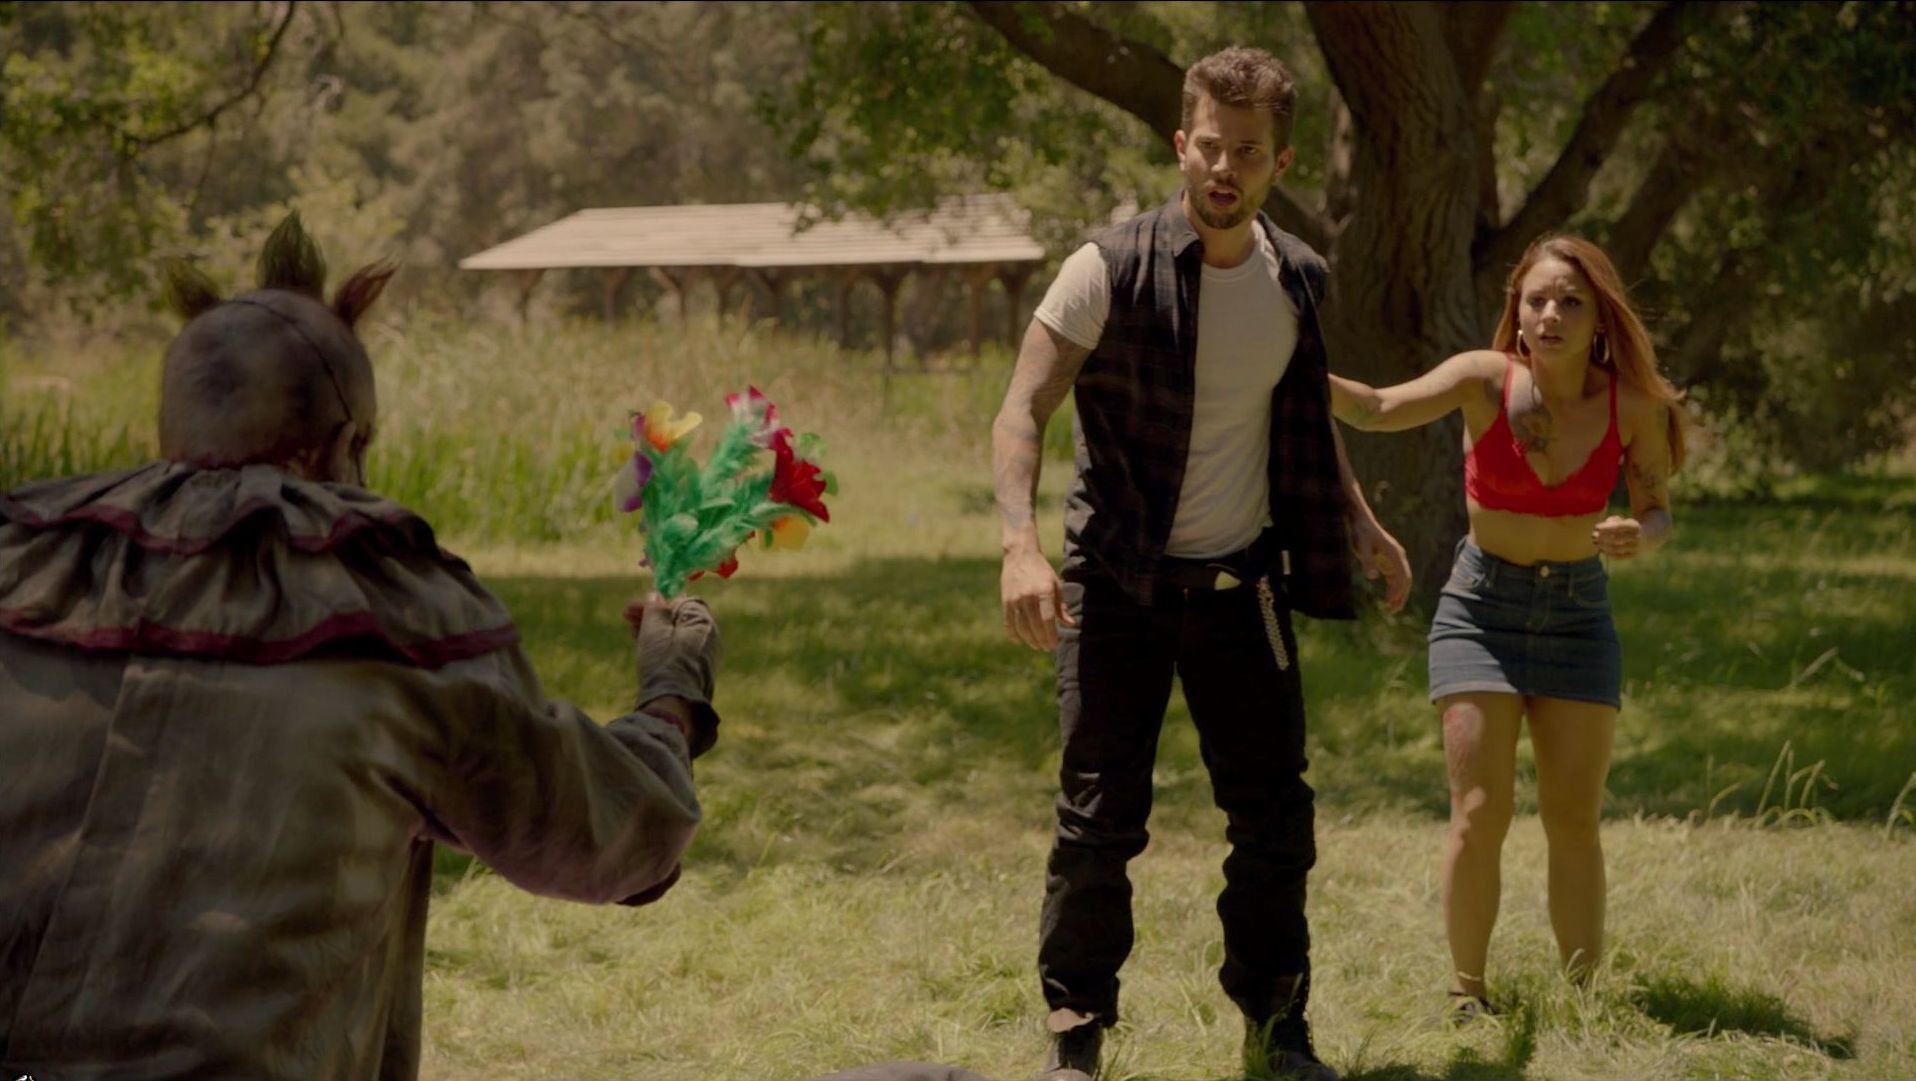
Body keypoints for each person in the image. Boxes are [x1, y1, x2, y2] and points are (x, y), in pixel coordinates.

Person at [0, 214, 722, 1081]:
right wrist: (674, 687)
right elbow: (607, 837)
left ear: (172, 426)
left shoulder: (23, 568)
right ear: (346, 444)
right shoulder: (392, 618)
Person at [993, 46, 1411, 1081]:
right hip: (1114, 587)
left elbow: (1300, 418)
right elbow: (1022, 408)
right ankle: (1074, 1035)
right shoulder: (1106, 267)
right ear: (1181, 143)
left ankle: (1277, 1028)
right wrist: (1019, 546)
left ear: (1279, 162)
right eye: (1211, 147)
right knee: (1098, 823)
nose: (1225, 168)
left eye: (1249, 152)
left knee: (1275, 821)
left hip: (1240, 589)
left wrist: (1361, 522)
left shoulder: (1296, 279)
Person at [1327, 234, 1685, 1018]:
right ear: (1517, 313)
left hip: (1578, 616)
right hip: (1479, 612)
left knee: (1573, 816)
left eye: (1571, 301)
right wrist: (1290, 368)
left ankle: (1583, 997)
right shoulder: (1482, 381)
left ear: (1600, 318)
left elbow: (1658, 509)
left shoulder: (1632, 404)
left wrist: (1642, 533)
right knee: (1480, 809)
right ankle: (1467, 992)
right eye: (1537, 300)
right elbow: (1375, 408)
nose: (1551, 314)